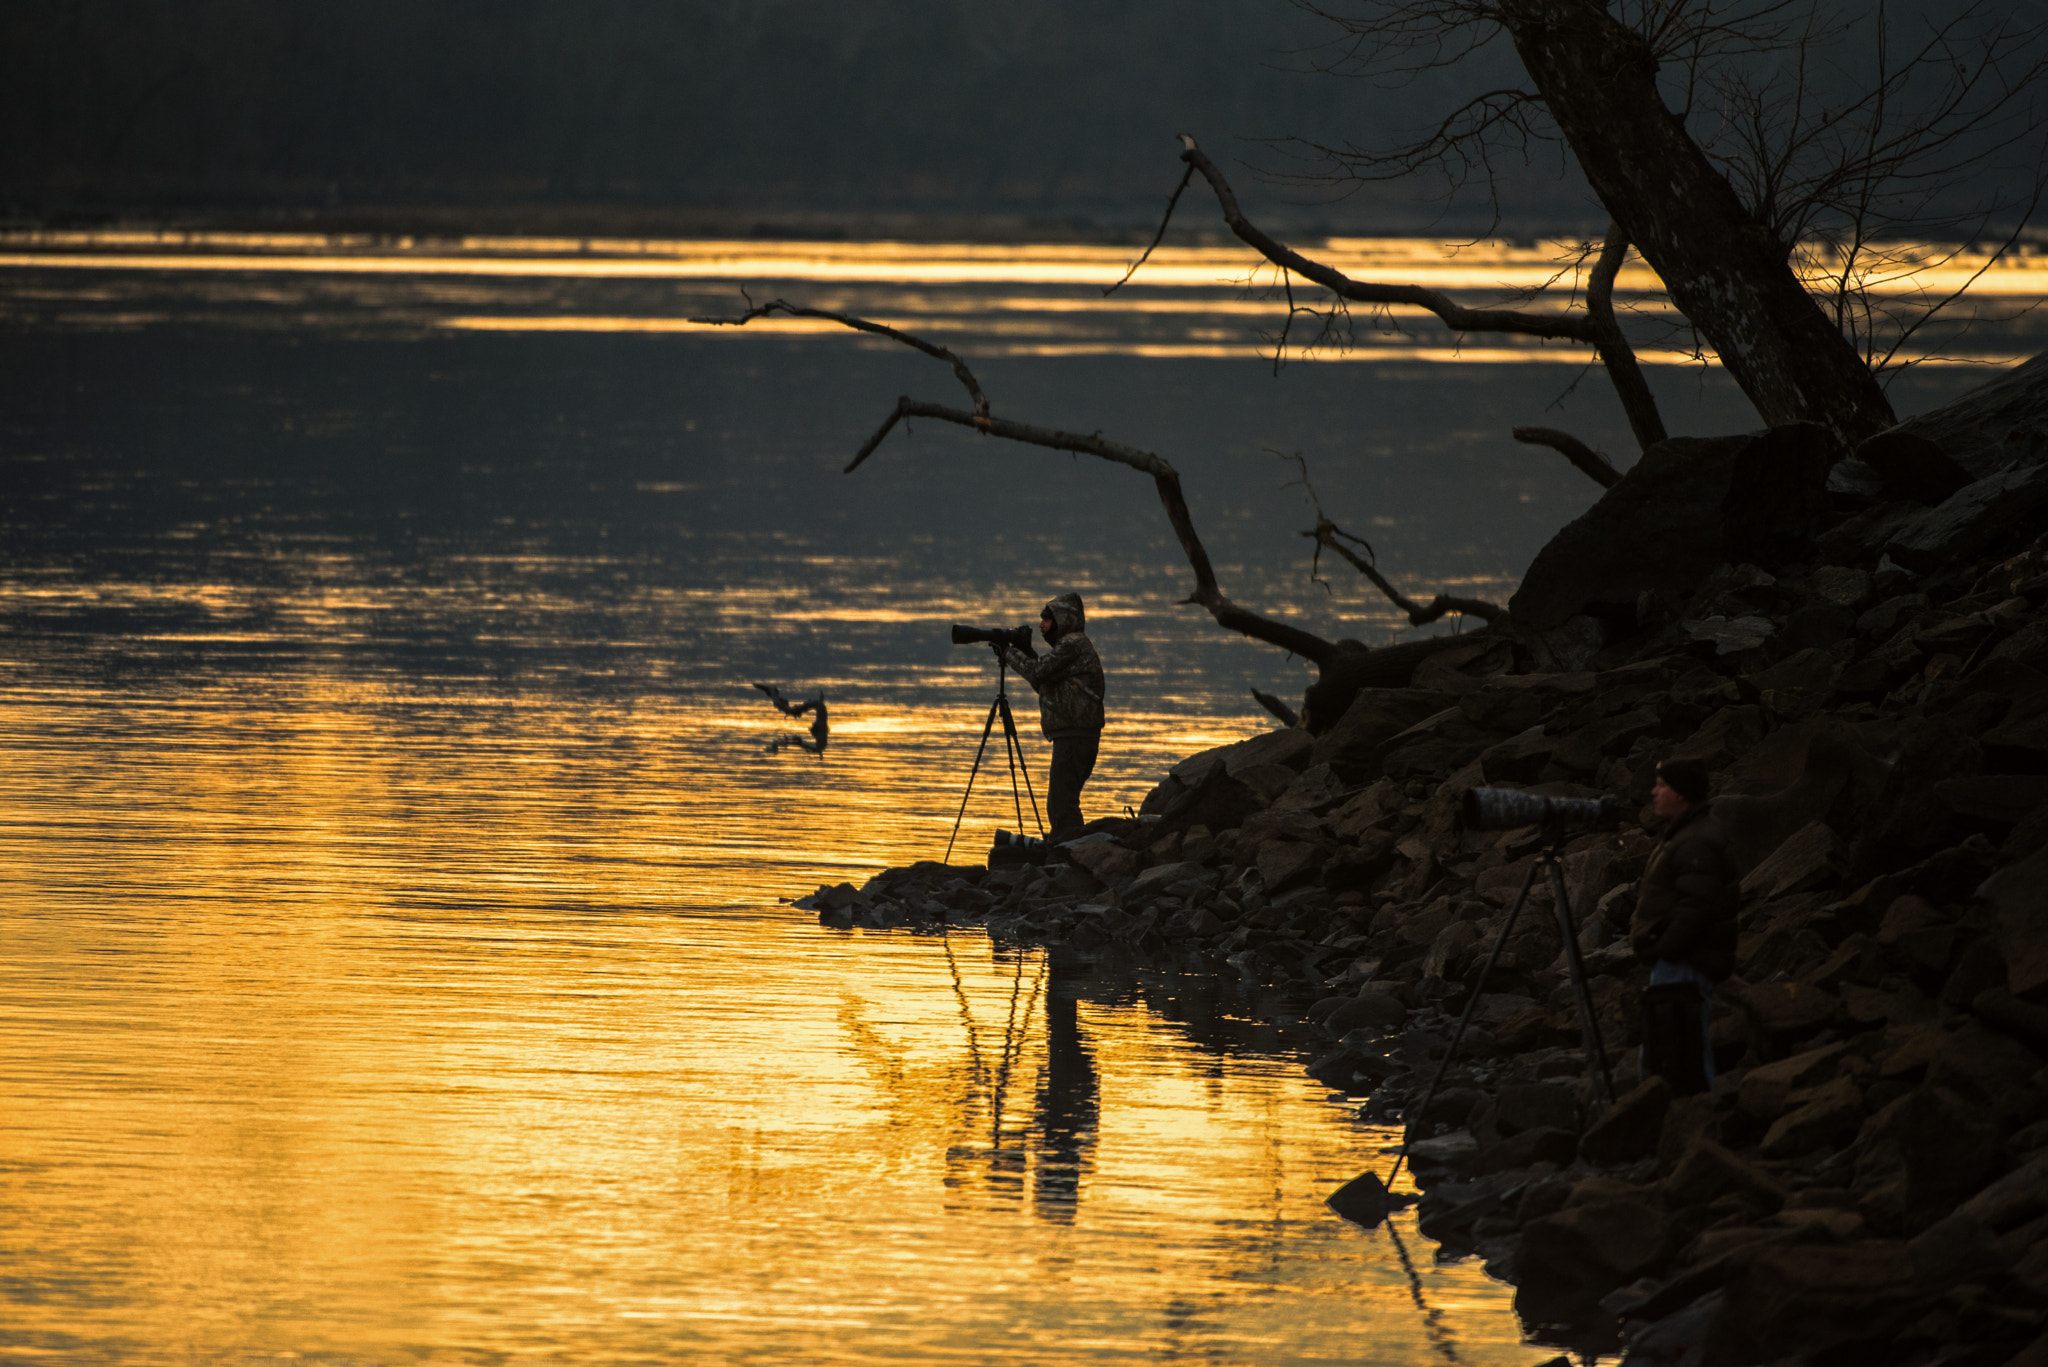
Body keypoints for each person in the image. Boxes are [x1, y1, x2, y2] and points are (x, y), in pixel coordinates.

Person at [1630, 756, 1737, 1089]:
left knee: (1682, 1051)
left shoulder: (1694, 841)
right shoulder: (1687, 833)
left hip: (1685, 963)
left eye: (1662, 786)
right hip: (1683, 961)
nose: (1653, 792)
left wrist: (1664, 948)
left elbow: (1698, 906)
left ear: (1682, 793)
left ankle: (1692, 1118)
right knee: (1678, 1047)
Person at [999, 592, 1105, 841]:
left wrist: (1009, 653)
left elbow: (1037, 671)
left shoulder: (1073, 644)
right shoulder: (1072, 647)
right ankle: (1069, 847)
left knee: (1060, 801)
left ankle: (1069, 850)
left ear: (1063, 620)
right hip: (1077, 733)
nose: (1041, 625)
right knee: (1063, 799)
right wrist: (1025, 651)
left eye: (1047, 619)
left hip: (1075, 734)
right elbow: (1045, 682)